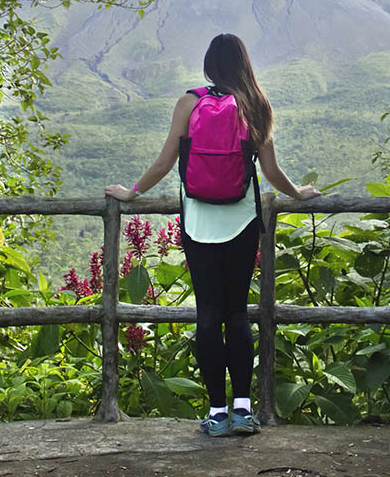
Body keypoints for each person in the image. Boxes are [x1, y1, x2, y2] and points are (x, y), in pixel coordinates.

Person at [105, 33, 320, 436]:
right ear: (244, 64)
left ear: (208, 65)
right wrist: (298, 193)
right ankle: (243, 410)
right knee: (237, 314)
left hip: (198, 221)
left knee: (208, 316)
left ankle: (217, 413)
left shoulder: (190, 102)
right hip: (240, 220)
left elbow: (166, 161)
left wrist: (131, 193)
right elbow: (271, 171)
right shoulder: (256, 103)